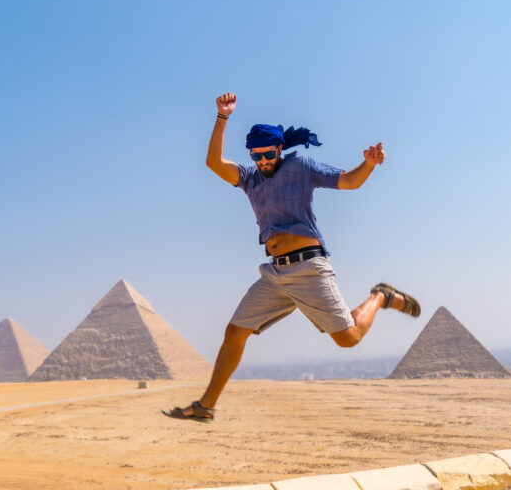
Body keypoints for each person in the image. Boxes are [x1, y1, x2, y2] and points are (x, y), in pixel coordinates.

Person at [163, 92, 421, 422]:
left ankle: (380, 297)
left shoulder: (299, 166)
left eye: (267, 154)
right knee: (234, 332)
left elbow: (349, 181)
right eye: (255, 155)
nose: (261, 161)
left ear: (279, 149)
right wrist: (222, 117)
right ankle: (206, 405)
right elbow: (214, 163)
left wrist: (368, 164)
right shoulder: (250, 179)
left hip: (309, 268)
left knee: (349, 338)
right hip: (274, 275)